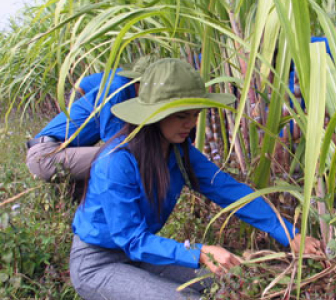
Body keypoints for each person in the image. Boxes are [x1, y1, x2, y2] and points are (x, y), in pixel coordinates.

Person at [69, 58, 322, 300]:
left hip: (143, 256)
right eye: (181, 115)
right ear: (155, 114)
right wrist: (200, 252)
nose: (190, 124)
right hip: (99, 263)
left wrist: (290, 234)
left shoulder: (180, 153)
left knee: (237, 281)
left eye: (195, 114)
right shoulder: (116, 162)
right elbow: (133, 240)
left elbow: (230, 191)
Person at [25, 56, 154, 181]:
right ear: (140, 82)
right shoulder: (117, 90)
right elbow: (115, 141)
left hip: (52, 152)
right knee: (124, 159)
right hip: (46, 155)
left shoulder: (122, 88)